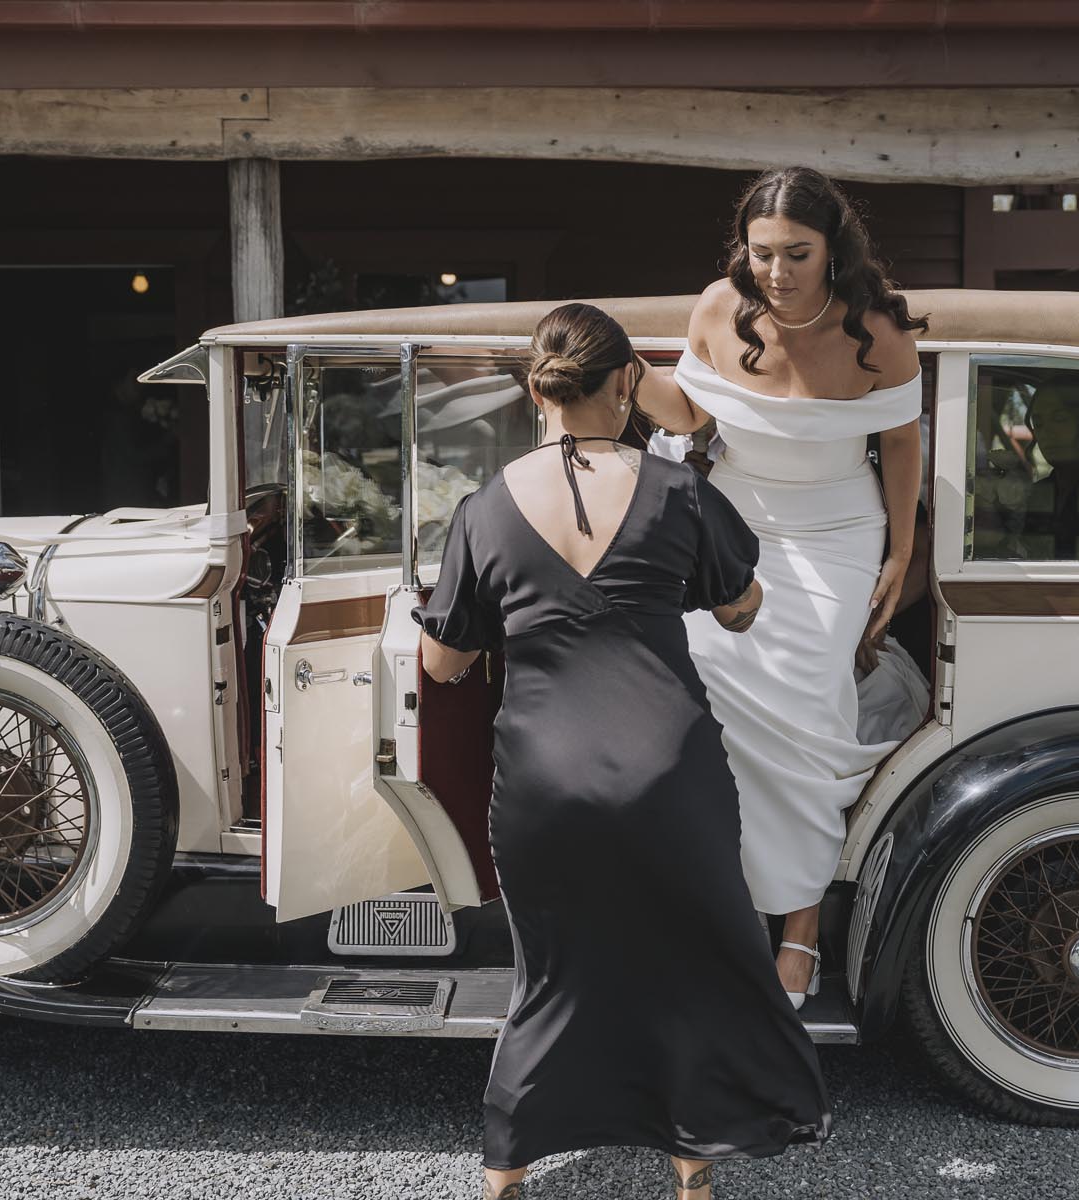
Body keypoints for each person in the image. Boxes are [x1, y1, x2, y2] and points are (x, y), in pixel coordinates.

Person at [416, 303, 830, 1200]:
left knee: (551, 977)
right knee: (681, 966)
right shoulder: (679, 493)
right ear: (628, 383)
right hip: (670, 775)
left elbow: (443, 664)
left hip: (545, 781)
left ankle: (505, 1173)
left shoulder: (484, 510)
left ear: (537, 391)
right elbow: (742, 607)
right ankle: (691, 1171)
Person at [630, 166, 928, 1008]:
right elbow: (688, 416)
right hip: (733, 519)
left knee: (807, 697)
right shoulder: (717, 309)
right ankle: (714, 907)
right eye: (762, 253)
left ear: (834, 248)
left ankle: (801, 927)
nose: (777, 271)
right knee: (699, 687)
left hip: (838, 529)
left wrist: (900, 553)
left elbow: (900, 445)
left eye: (797, 253)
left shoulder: (879, 330)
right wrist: (618, 363)